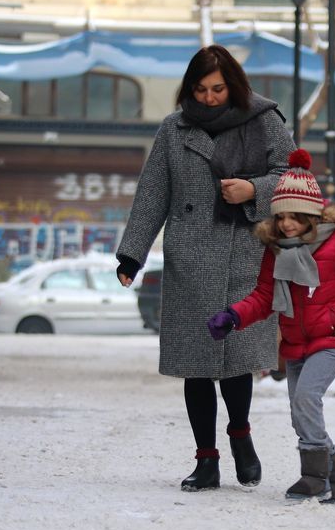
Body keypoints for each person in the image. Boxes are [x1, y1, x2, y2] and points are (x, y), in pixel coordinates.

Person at [116, 45, 294, 491]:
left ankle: (241, 436)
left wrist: (253, 189)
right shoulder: (174, 130)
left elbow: (295, 178)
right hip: (189, 260)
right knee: (196, 365)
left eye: (218, 89)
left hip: (245, 255)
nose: (210, 97)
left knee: (235, 360)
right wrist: (131, 255)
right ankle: (206, 459)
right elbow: (153, 192)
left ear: (233, 85)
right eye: (201, 89)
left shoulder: (264, 121)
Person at [207, 150, 335, 504]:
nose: (287, 224)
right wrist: (234, 315)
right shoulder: (276, 250)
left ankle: (313, 477)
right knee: (299, 413)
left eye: (296, 216)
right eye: (281, 216)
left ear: (312, 214)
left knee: (306, 398)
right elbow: (263, 296)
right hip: (297, 340)